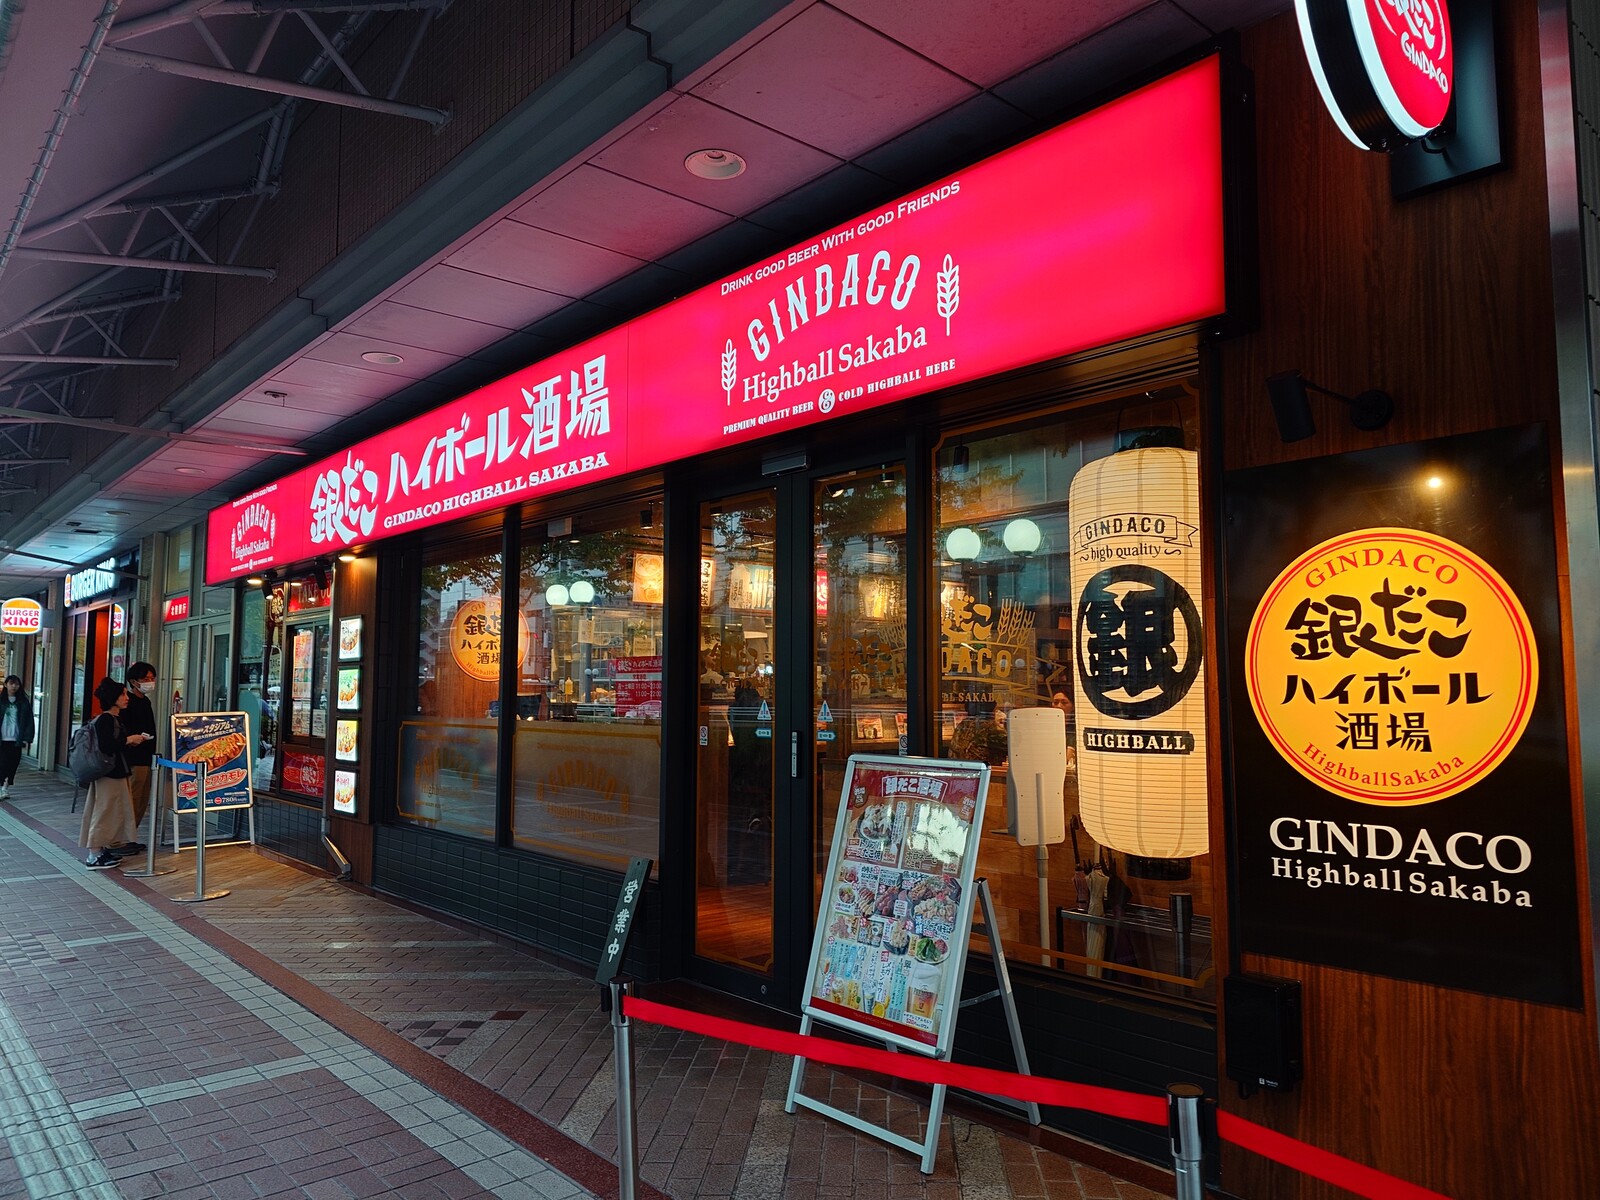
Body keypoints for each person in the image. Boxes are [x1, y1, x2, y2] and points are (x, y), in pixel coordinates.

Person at [80, 677, 150, 870]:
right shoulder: (106, 719)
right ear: (113, 698)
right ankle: (94, 854)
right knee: (104, 812)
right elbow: (107, 745)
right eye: (123, 695)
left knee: (108, 812)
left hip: (112, 773)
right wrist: (129, 740)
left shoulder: (111, 718)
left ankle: (100, 850)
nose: (127, 698)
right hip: (109, 774)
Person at [123, 662, 159, 828]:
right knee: (133, 798)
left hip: (147, 757)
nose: (150, 682)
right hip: (134, 759)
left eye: (152, 678)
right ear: (133, 681)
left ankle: (131, 832)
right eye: (145, 679)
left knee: (142, 800)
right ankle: (124, 835)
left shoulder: (146, 701)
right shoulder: (128, 703)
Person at [0, 675, 35, 799]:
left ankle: (5, 788)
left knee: (12, 765)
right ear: (6, 685)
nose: (14, 686)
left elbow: (29, 721)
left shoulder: (23, 702)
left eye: (16, 684)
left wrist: (27, 738)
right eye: (11, 683)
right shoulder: (1, 701)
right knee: (2, 764)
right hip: (2, 739)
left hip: (16, 739)